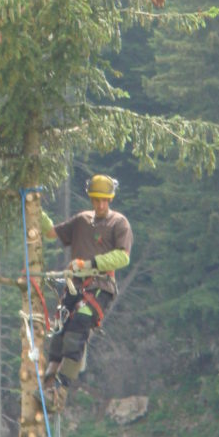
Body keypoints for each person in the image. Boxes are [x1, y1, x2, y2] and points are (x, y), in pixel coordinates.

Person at [39, 174, 133, 411]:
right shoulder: (81, 221)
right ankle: (48, 380)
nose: (101, 205)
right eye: (96, 200)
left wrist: (88, 264)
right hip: (75, 286)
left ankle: (61, 386)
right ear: (91, 199)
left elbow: (122, 256)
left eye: (105, 200)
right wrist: (35, 207)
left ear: (110, 199)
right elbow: (51, 233)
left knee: (78, 328)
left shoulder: (118, 223)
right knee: (60, 332)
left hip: (100, 287)